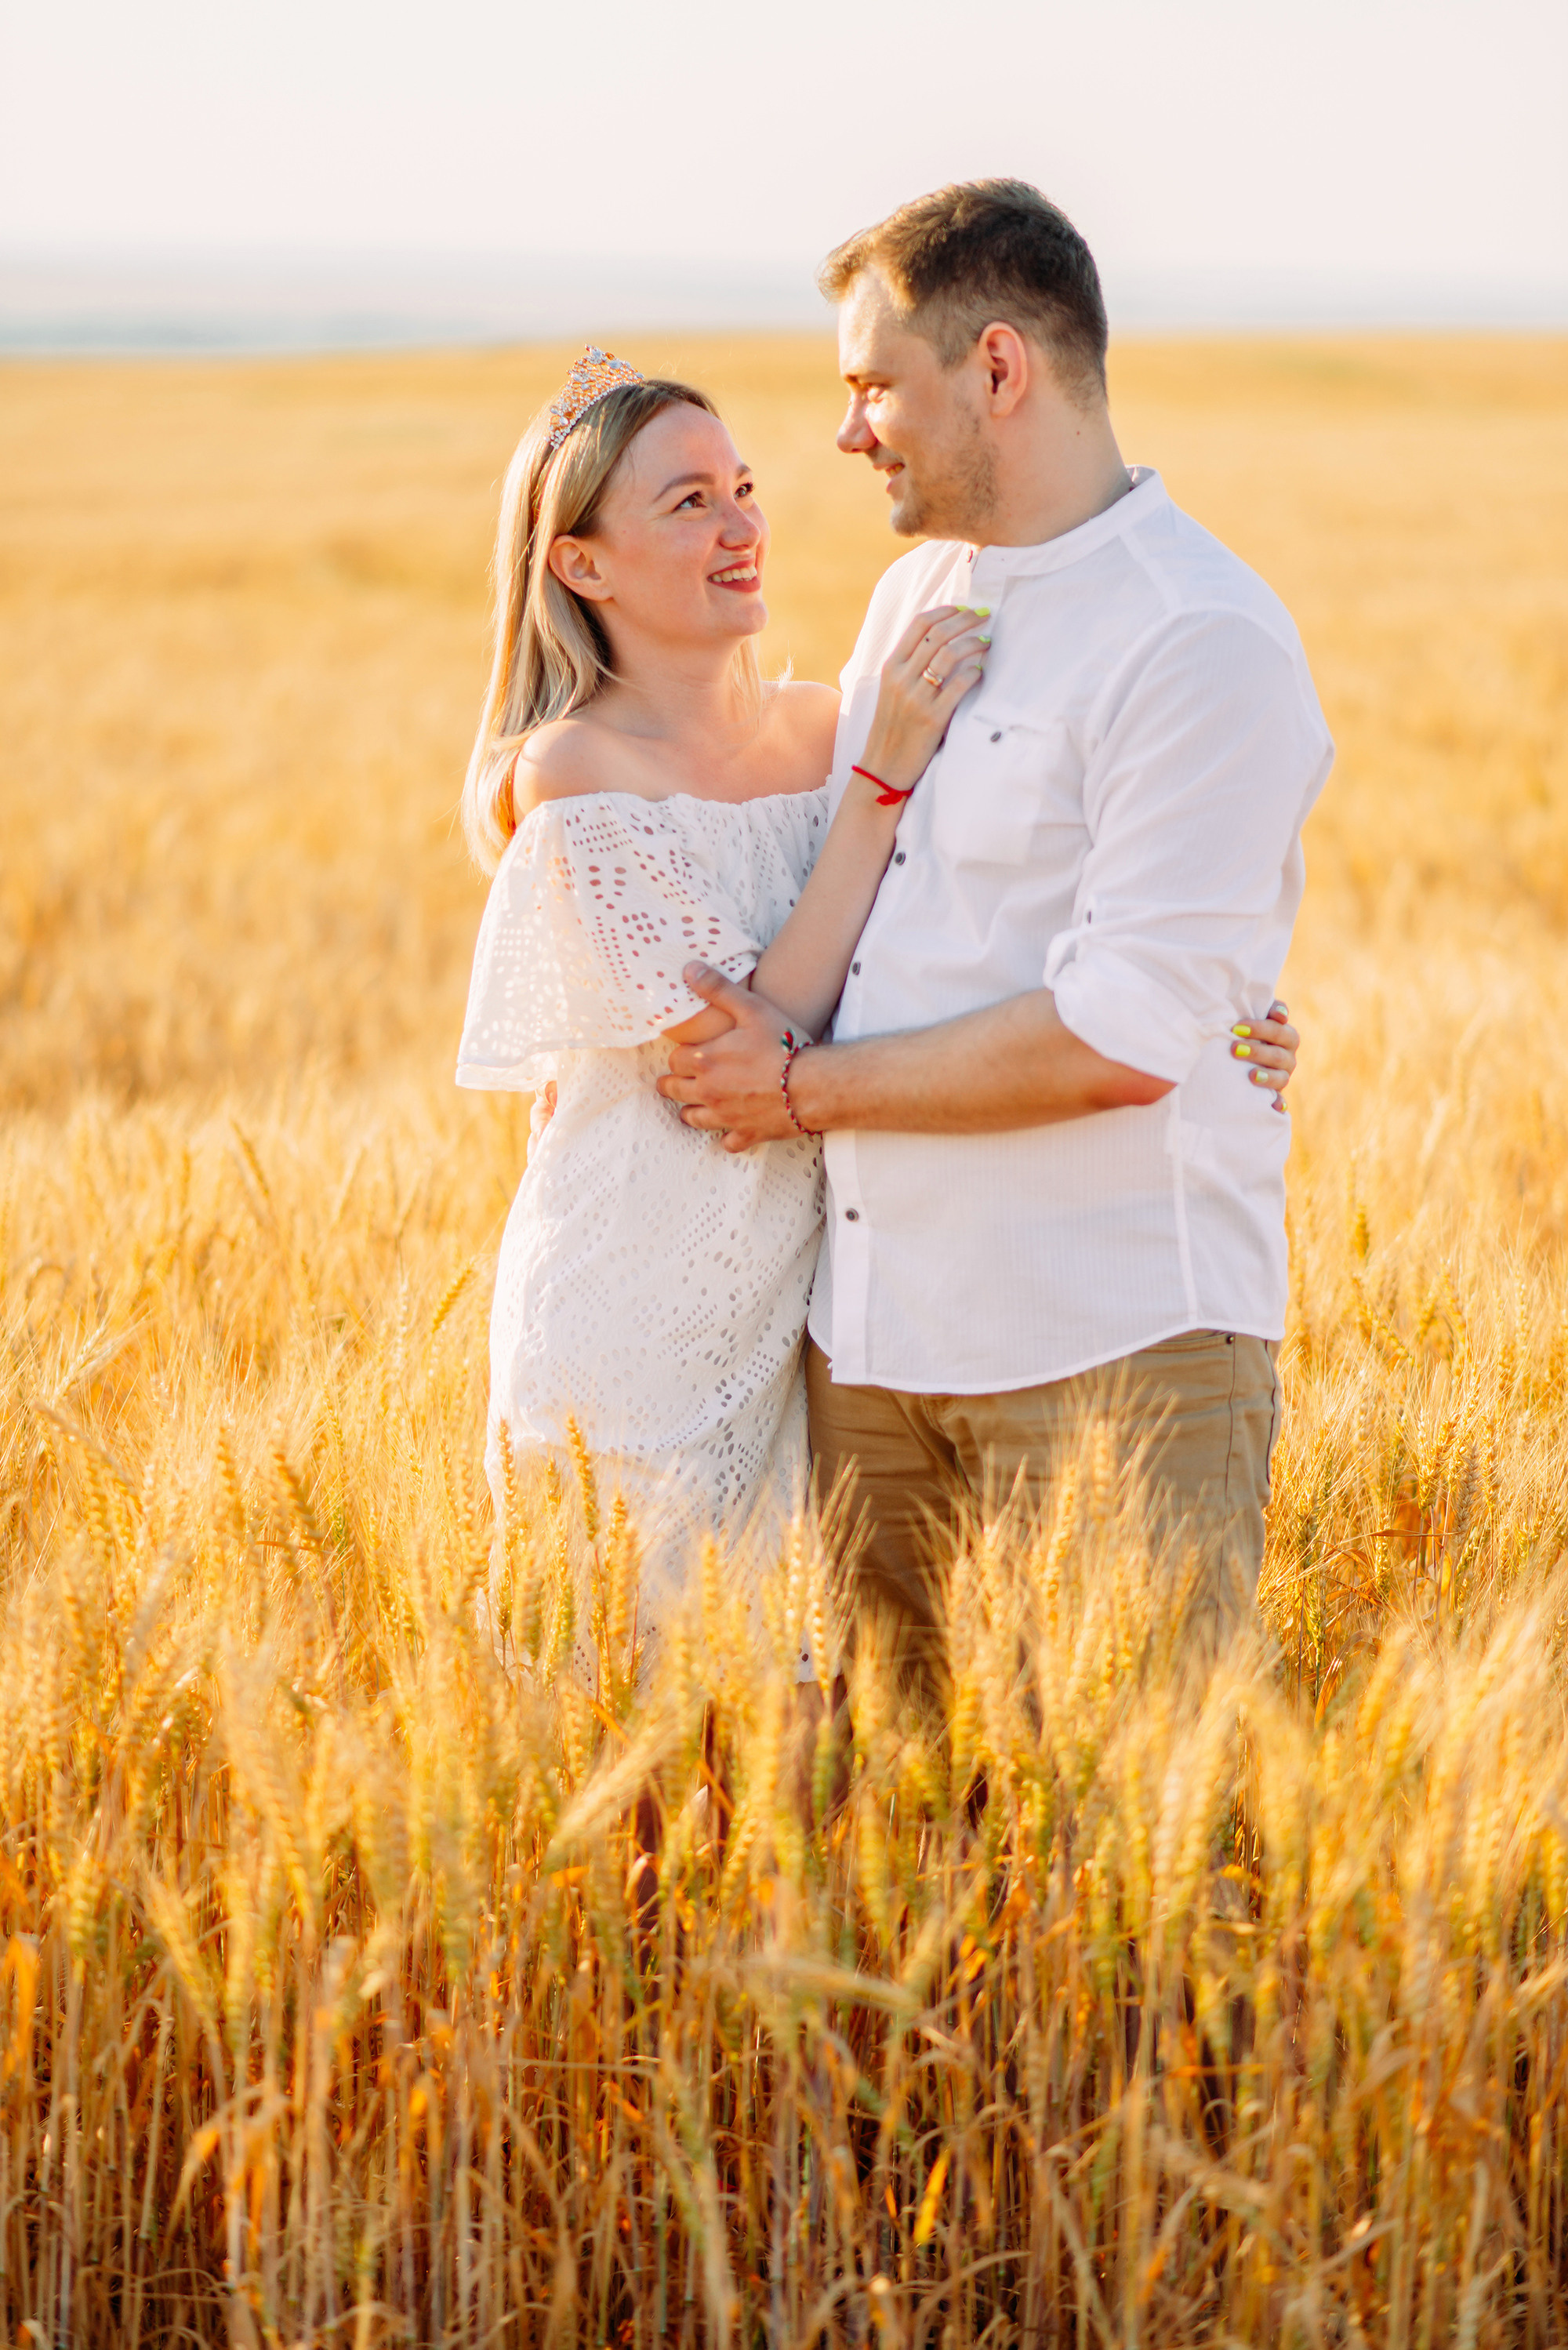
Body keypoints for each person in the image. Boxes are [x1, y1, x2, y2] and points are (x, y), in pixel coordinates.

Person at [454, 338, 1299, 1681]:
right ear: (581, 564)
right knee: (639, 1721)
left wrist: (1212, 1007)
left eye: (740, 486)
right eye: (688, 504)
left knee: (805, 1741)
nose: (742, 526)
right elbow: (748, 1046)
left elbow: (980, 903)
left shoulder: (826, 716)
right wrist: (880, 781)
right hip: (636, 1300)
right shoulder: (573, 774)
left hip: (807, 1318)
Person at [659, 180, 1333, 1669]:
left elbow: (1118, 1035)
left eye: (872, 385)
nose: (847, 434)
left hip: (1107, 1355)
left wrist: (794, 1092)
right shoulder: (916, 593)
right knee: (905, 1861)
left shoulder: (1197, 638)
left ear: (1000, 369)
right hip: (872, 1358)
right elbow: (848, 897)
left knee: (1124, 1860)